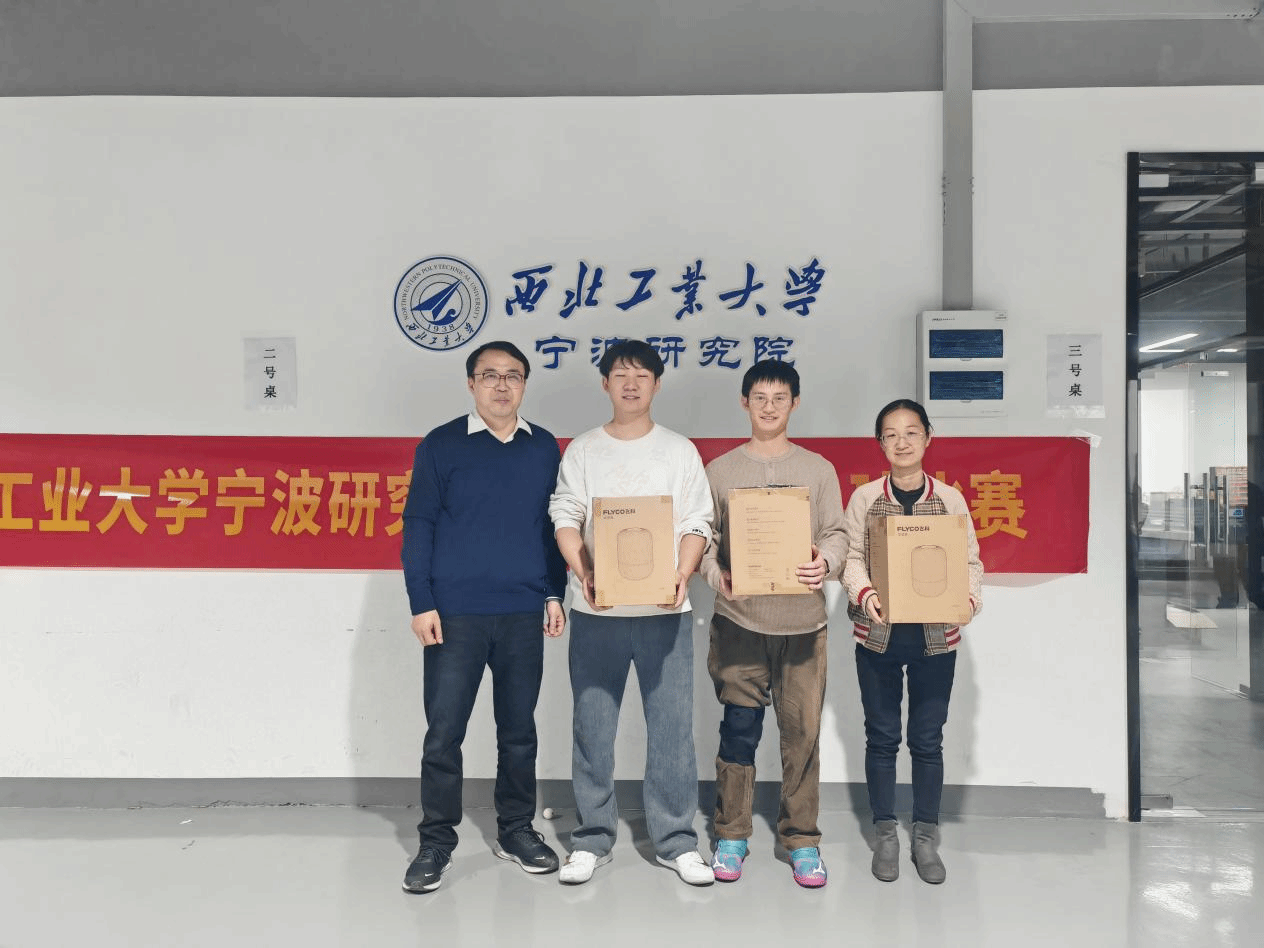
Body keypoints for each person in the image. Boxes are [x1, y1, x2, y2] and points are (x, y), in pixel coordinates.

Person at [399, 340, 568, 893]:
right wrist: (421, 602)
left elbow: (552, 527)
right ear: (471, 384)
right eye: (489, 375)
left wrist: (553, 593)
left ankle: (516, 830)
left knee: (518, 733)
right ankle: (435, 842)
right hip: (455, 616)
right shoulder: (441, 445)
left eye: (512, 375)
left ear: (525, 384)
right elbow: (418, 525)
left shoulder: (543, 447)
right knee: (444, 734)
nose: (501, 385)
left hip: (522, 612)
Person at [548, 339, 715, 887]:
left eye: (642, 374)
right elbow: (565, 515)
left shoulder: (678, 451)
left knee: (672, 729)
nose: (631, 383)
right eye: (620, 374)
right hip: (597, 612)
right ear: (605, 384)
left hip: (665, 611)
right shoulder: (584, 450)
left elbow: (697, 521)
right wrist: (584, 573)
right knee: (592, 727)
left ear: (657, 384)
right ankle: (591, 839)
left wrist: (681, 574)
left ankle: (676, 841)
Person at [698, 360, 847, 888]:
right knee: (738, 731)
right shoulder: (720, 471)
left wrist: (826, 563)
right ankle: (731, 833)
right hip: (739, 622)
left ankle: (802, 840)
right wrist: (715, 576)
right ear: (744, 402)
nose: (768, 406)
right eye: (759, 397)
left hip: (804, 626)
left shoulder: (818, 470)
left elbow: (836, 533)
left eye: (779, 398)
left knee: (802, 736)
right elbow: (704, 540)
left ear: (794, 403)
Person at [841, 398, 983, 885]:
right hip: (877, 637)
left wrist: (969, 600)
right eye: (891, 434)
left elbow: (970, 562)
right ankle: (885, 831)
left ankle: (925, 835)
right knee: (881, 738)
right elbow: (852, 557)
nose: (901, 442)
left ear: (927, 437)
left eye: (911, 432)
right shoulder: (865, 499)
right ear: (880, 442)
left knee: (927, 740)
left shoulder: (950, 500)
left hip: (935, 640)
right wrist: (865, 593)